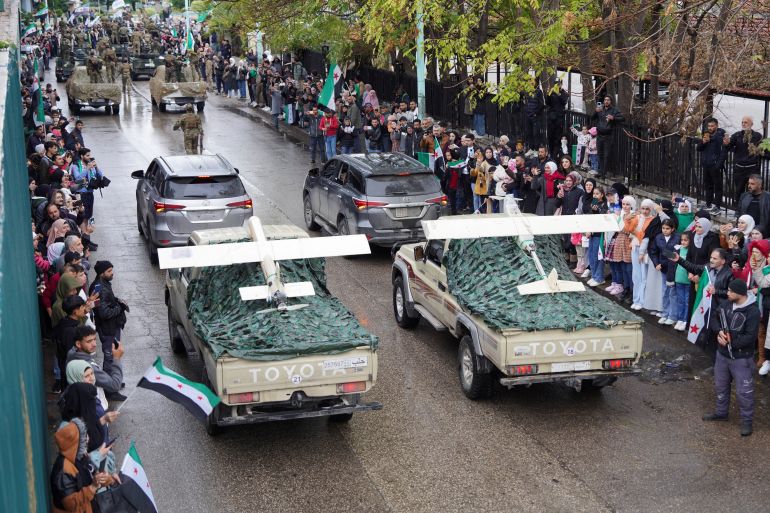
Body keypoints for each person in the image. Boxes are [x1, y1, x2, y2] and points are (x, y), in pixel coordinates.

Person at [702, 279, 758, 437]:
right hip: (722, 355)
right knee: (720, 386)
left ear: (740, 294)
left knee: (744, 392)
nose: (727, 293)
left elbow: (750, 337)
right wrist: (719, 332)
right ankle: (721, 413)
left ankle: (747, 422)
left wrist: (730, 343)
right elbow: (713, 317)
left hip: (741, 359)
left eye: (730, 291)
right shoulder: (726, 304)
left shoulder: (753, 312)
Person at [50, 419, 113, 513]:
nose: (87, 439)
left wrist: (105, 478)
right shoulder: (63, 471)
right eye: (83, 438)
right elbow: (71, 505)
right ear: (75, 443)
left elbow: (93, 475)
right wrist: (92, 487)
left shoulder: (80, 457)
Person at [89, 261, 127, 380]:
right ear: (101, 273)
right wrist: (119, 308)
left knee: (112, 355)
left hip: (110, 327)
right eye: (109, 271)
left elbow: (106, 302)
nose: (112, 273)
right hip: (108, 328)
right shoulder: (100, 288)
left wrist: (116, 300)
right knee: (110, 356)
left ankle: (114, 381)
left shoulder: (102, 284)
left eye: (112, 270)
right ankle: (110, 387)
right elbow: (104, 313)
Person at [67, 325, 125, 401]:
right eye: (89, 341)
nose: (94, 344)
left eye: (94, 339)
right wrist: (117, 359)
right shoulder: (88, 366)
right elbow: (115, 385)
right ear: (78, 344)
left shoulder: (72, 352)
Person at [723, 117, 764, 204]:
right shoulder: (737, 135)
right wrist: (726, 144)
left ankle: (752, 211)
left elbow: (763, 149)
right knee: (739, 191)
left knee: (754, 191)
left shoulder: (757, 136)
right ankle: (739, 211)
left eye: (745, 122)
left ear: (751, 124)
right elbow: (728, 146)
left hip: (752, 168)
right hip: (739, 169)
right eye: (742, 122)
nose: (743, 124)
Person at [649, 219, 681, 325]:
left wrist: (666, 254)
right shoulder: (658, 237)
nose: (665, 230)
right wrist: (656, 263)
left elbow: (678, 253)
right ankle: (665, 313)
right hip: (663, 268)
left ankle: (673, 315)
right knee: (665, 291)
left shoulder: (678, 237)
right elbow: (653, 251)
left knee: (673, 292)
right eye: (663, 228)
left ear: (673, 229)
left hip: (675, 269)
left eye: (667, 228)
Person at [605, 195, 635, 301]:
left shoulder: (634, 216)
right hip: (619, 241)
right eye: (624, 204)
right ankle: (625, 288)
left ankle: (632, 291)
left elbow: (629, 230)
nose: (625, 206)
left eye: (628, 204)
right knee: (622, 267)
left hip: (628, 242)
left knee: (629, 269)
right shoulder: (621, 215)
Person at [696, 118, 727, 213]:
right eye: (709, 126)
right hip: (706, 164)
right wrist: (704, 142)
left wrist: (718, 164)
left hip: (715, 165)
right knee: (708, 185)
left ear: (716, 126)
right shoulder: (706, 135)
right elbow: (699, 149)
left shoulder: (720, 136)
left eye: (712, 126)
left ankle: (717, 206)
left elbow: (724, 151)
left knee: (717, 186)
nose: (710, 128)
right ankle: (708, 203)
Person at [591, 96, 625, 177]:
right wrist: (595, 111)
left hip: (608, 136)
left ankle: (604, 173)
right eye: (605, 100)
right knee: (600, 154)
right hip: (599, 135)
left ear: (611, 101)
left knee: (606, 155)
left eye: (608, 100)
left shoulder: (614, 110)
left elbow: (623, 118)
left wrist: (613, 118)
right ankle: (600, 171)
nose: (606, 101)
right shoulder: (600, 109)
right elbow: (592, 118)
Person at [586, 185, 609, 287]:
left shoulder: (604, 205)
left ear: (602, 195)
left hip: (600, 234)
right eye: (594, 193)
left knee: (598, 256)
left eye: (597, 194)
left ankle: (599, 277)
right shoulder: (592, 203)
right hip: (592, 233)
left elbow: (602, 218)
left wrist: (596, 210)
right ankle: (594, 275)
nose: (595, 195)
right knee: (591, 255)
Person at [671, 231, 691, 331]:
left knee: (687, 301)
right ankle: (680, 319)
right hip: (678, 278)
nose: (683, 242)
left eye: (686, 240)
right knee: (680, 300)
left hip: (687, 280)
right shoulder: (678, 249)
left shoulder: (691, 251)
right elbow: (670, 258)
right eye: (682, 240)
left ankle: (685, 320)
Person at [546, 79, 569, 158]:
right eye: (556, 84)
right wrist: (548, 93)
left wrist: (559, 94)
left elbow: (564, 101)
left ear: (561, 84)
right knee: (550, 137)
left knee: (557, 139)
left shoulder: (564, 93)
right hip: (551, 119)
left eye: (558, 84)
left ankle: (554, 156)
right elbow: (547, 102)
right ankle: (551, 154)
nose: (557, 85)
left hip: (559, 120)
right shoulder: (551, 93)